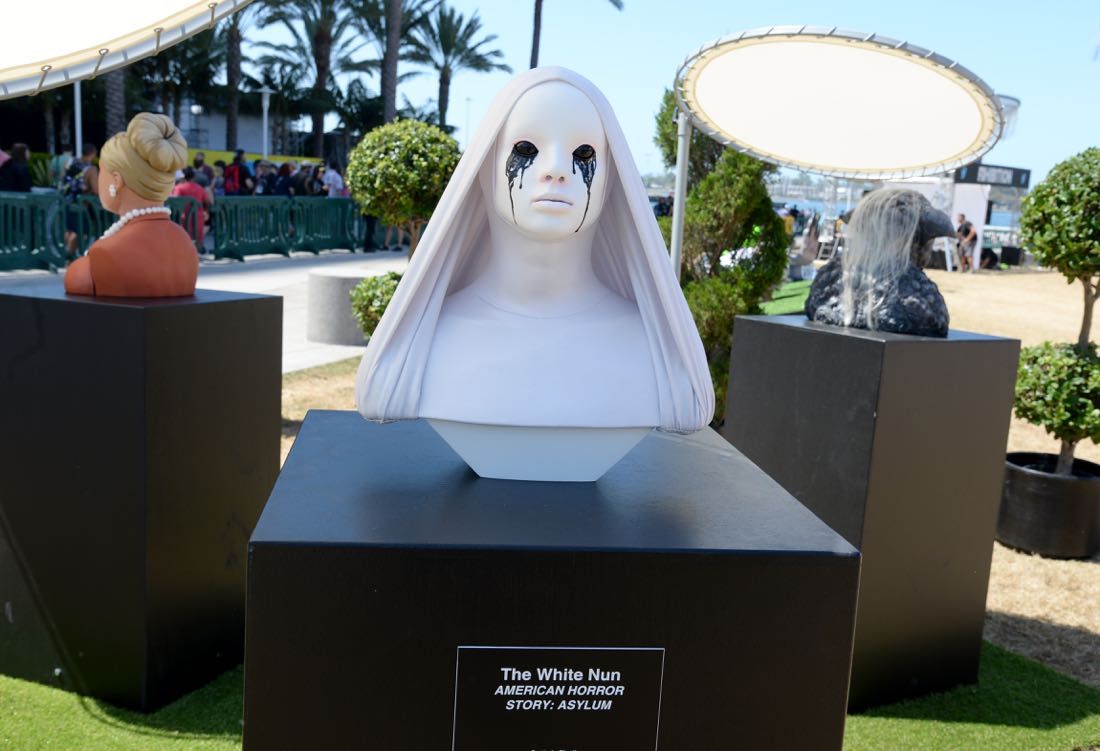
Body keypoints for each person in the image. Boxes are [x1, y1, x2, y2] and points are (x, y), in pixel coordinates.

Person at [354, 66, 713, 436]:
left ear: (610, 182)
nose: (557, 170)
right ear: (484, 170)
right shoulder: (425, 344)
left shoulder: (654, 354)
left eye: (584, 152)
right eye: (526, 149)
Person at [63, 113, 198, 297]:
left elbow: (76, 282)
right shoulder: (186, 244)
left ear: (116, 180)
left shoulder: (103, 254)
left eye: (102, 170)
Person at [170, 166, 213, 245]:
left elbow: (174, 201)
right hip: (198, 218)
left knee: (184, 241)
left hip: (183, 219)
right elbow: (207, 202)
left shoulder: (178, 188)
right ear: (194, 177)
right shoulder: (200, 188)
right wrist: (205, 212)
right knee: (197, 241)